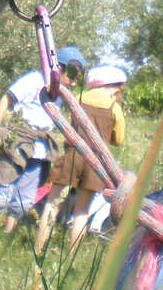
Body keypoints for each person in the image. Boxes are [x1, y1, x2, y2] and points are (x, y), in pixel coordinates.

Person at [0, 46, 85, 232]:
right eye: (72, 73)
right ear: (58, 67)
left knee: (24, 197)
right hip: (18, 142)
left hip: (40, 151)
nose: (74, 82)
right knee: (1, 188)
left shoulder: (61, 92)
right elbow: (5, 100)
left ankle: (6, 233)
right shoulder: (34, 80)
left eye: (78, 76)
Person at [35, 63, 127, 252]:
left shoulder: (78, 98)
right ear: (113, 85)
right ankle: (70, 258)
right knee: (82, 212)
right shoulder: (114, 107)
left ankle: (38, 250)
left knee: (51, 205)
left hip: (72, 156)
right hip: (96, 164)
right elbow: (118, 140)